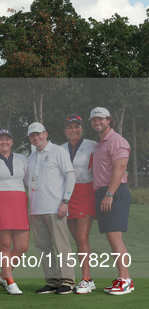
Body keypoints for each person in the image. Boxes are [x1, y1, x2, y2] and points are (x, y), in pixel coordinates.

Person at [27, 122, 76, 295]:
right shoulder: (31, 157)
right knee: (43, 247)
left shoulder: (58, 151)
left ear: (45, 134)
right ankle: (53, 281)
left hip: (56, 207)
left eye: (38, 134)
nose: (36, 137)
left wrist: (66, 200)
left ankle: (68, 281)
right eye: (32, 135)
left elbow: (70, 176)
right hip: (36, 209)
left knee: (61, 245)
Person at [89, 107, 134, 295]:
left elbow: (121, 167)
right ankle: (124, 278)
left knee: (116, 239)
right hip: (104, 192)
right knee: (111, 238)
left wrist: (109, 194)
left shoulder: (117, 141)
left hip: (113, 193)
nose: (97, 122)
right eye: (94, 120)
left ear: (109, 120)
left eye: (101, 119)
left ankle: (125, 280)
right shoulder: (100, 144)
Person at [0, 128, 29, 295]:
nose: (4, 142)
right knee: (5, 245)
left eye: (7, 139)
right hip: (0, 204)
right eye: (0, 139)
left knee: (22, 246)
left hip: (19, 204)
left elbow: (27, 181)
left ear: (12, 141)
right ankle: (10, 282)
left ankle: (3, 275)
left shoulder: (22, 158)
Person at [61, 115, 97, 294]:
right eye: (70, 127)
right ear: (65, 130)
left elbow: (104, 164)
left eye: (76, 127)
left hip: (86, 192)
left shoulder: (92, 145)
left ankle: (86, 279)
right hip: (67, 195)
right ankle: (87, 278)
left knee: (82, 238)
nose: (73, 130)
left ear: (81, 128)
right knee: (77, 239)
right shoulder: (60, 149)